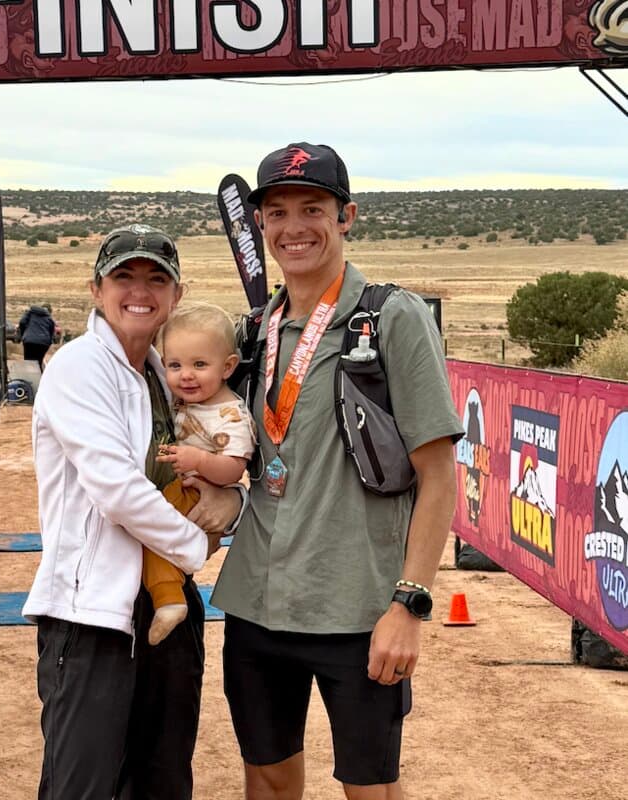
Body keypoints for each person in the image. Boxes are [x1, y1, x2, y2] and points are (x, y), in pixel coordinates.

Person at [211, 143, 464, 800]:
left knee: (370, 788)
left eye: (313, 208)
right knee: (265, 780)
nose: (295, 227)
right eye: (278, 211)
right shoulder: (255, 330)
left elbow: (439, 475)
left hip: (358, 609)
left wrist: (410, 603)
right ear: (260, 225)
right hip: (257, 603)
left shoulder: (390, 317)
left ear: (347, 215)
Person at [22, 223, 246, 800]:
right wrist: (198, 547)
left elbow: (215, 456)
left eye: (156, 278)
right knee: (85, 786)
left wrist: (232, 498)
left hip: (167, 602)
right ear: (96, 289)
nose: (139, 291)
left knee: (163, 779)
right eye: (124, 276)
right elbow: (117, 490)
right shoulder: (78, 368)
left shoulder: (165, 372)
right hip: (90, 612)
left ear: (176, 293)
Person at [145, 302, 256, 646]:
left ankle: (169, 601)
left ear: (228, 367)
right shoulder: (186, 401)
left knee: (149, 533)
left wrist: (198, 460)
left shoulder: (230, 415)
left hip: (195, 492)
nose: (186, 375)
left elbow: (234, 468)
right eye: (175, 365)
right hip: (184, 489)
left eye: (199, 365)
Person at [18, 302, 55, 371]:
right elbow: (52, 331)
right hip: (43, 343)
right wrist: (49, 341)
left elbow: (22, 322)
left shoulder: (31, 313)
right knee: (39, 361)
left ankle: (29, 377)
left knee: (28, 361)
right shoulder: (49, 318)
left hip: (29, 341)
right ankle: (39, 379)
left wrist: (24, 334)